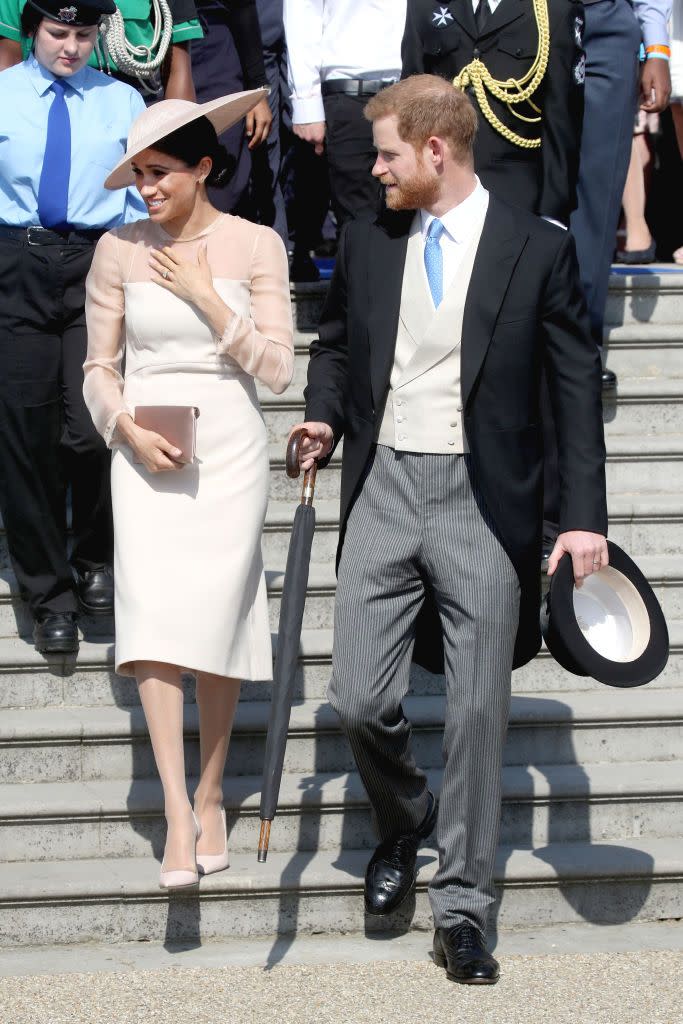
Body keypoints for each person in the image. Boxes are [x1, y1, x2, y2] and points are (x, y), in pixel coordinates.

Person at [290, 75, 607, 984]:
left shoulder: (536, 249)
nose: (373, 168)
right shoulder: (365, 238)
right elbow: (338, 344)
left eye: (386, 151)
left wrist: (581, 519)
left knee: (474, 711)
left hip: (484, 500)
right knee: (356, 698)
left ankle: (462, 909)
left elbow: (573, 388)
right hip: (382, 485)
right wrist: (322, 417)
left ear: (436, 150)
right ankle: (406, 817)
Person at [83, 91, 294, 888]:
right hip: (144, 452)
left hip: (231, 452)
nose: (148, 189)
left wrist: (208, 298)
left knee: (218, 621)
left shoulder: (255, 244)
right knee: (154, 623)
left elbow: (279, 369)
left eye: (162, 173)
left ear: (204, 167)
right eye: (139, 175)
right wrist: (124, 428)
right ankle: (176, 807)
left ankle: (211, 793)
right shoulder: (116, 251)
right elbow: (99, 368)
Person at [0, 0, 147, 654]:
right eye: (58, 33)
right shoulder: (2, 95)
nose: (70, 47)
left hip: (96, 260)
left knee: (91, 429)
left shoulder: (120, 101)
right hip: (16, 262)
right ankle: (46, 593)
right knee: (25, 436)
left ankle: (94, 557)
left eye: (83, 35)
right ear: (32, 30)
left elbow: (143, 192)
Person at [401, 0, 584, 228]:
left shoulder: (553, 9)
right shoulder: (426, 4)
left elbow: (562, 121)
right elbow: (409, 106)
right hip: (440, 190)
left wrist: (553, 212)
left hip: (515, 195)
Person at [570, 0, 672, 389]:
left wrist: (657, 49)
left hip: (605, 22)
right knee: (522, 183)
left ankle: (581, 348)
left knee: (596, 192)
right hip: (526, 18)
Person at [284, 0, 406, 278]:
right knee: (360, 223)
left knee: (408, 217)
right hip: (349, 92)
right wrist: (306, 102)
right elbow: (303, 11)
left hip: (410, 88)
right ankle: (363, 316)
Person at [0, 0, 202, 99]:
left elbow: (179, 67)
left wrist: (175, 142)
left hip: (139, 97)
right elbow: (7, 60)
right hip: (44, 94)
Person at [190, 0, 274, 215]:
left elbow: (243, 8)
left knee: (222, 176)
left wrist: (257, 88)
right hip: (151, 52)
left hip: (213, 49)